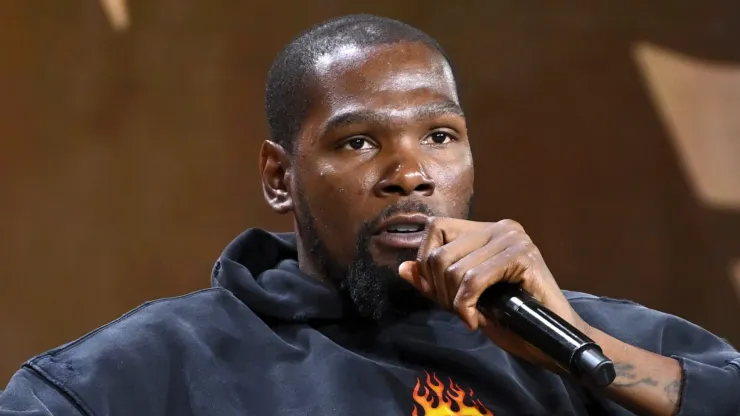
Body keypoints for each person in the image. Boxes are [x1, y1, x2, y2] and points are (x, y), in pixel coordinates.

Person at [1, 14, 738, 416]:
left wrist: (583, 352)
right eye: (358, 142)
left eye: (440, 136)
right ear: (279, 178)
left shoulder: (600, 340)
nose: (411, 174)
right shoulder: (151, 371)